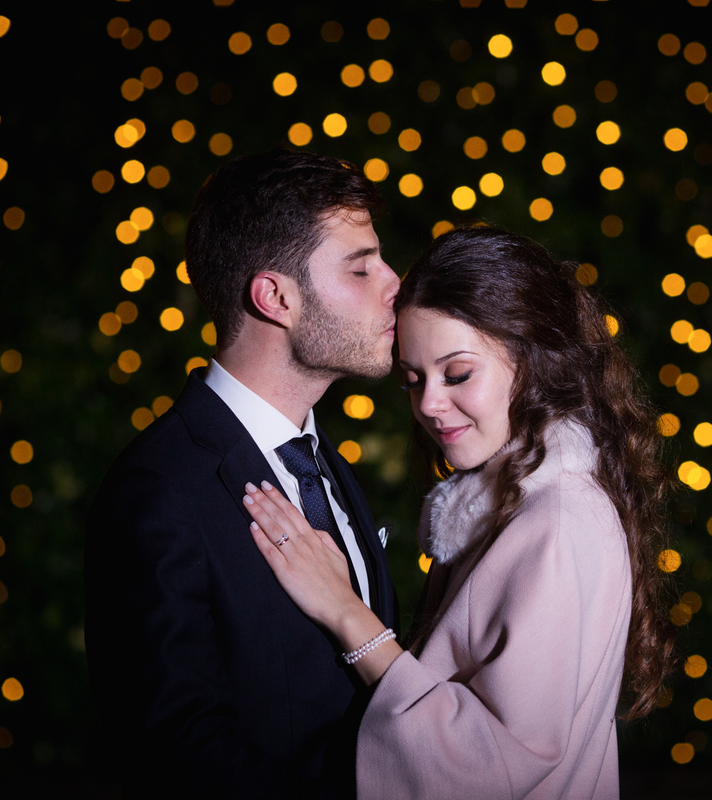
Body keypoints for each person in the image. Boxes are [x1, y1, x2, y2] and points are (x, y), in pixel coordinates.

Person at [243, 226, 677, 799]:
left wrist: (347, 613)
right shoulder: (507, 508)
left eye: (459, 373)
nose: (427, 403)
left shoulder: (560, 521)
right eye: (414, 378)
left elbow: (489, 770)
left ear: (533, 359)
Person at [84, 148, 400, 798]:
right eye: (361, 267)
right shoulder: (160, 489)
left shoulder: (327, 465)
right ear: (275, 296)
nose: (394, 281)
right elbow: (178, 751)